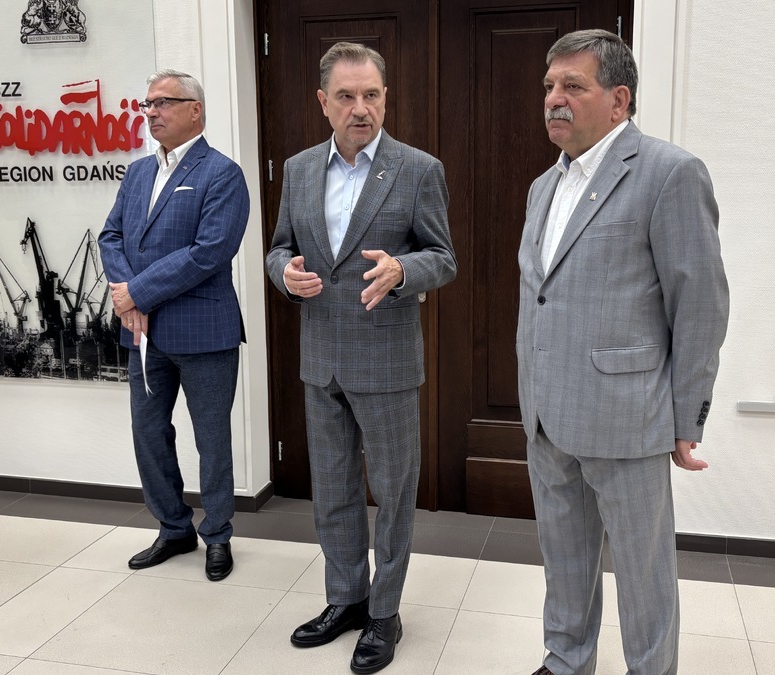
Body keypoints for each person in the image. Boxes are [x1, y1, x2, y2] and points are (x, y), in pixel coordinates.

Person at [516, 30, 729, 675]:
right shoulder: (542, 186)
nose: (554, 99)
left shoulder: (670, 173)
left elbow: (700, 303)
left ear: (619, 99)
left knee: (643, 571)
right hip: (548, 415)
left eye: (572, 86)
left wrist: (687, 418)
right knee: (565, 558)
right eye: (549, 86)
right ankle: (566, 661)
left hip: (627, 417)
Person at [265, 42, 456, 674]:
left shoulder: (418, 169)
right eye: (346, 96)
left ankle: (384, 612)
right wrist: (283, 274)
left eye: (371, 95)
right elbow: (279, 247)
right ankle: (345, 598)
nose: (360, 108)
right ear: (323, 102)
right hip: (321, 358)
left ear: (385, 98)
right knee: (333, 489)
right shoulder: (299, 170)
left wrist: (403, 270)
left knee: (394, 493)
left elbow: (443, 258)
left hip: (387, 359)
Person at [98, 69, 249, 581]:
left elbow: (209, 252)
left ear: (195, 110)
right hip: (142, 333)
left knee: (212, 440)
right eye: (147, 104)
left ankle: (218, 536)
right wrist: (127, 298)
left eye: (163, 102)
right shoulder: (138, 172)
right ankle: (173, 528)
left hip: (204, 332)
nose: (152, 112)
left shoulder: (222, 174)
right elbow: (110, 237)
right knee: (148, 433)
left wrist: (137, 293)